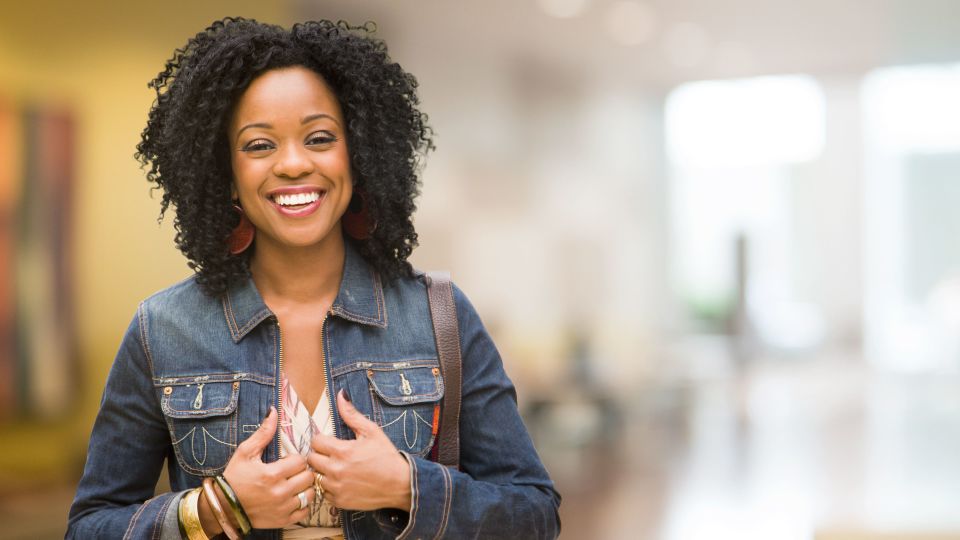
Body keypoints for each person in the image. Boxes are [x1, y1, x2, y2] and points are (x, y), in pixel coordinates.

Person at [66, 17, 561, 540]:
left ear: (360, 153)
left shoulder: (438, 316)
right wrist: (214, 510)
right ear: (226, 174)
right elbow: (90, 526)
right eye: (259, 146)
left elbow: (534, 513)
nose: (294, 164)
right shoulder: (162, 330)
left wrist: (408, 487)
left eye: (319, 137)